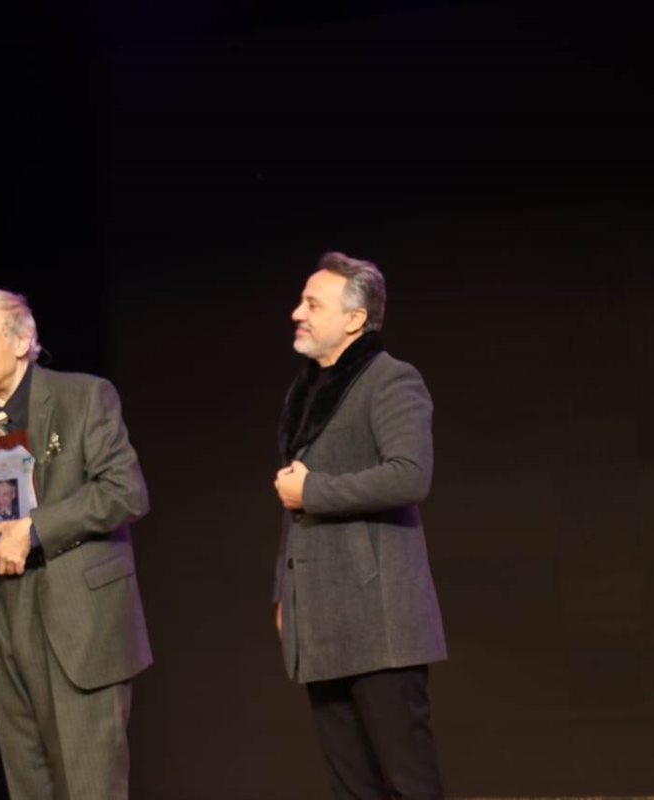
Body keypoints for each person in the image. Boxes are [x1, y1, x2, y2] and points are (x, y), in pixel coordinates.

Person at [0, 288, 151, 800]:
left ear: (22, 341)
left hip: (78, 619)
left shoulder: (84, 396)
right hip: (4, 614)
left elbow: (125, 492)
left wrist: (35, 528)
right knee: (28, 785)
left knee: (89, 786)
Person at [272, 252, 447, 799]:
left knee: (407, 780)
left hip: (379, 616)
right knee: (350, 785)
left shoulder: (391, 379)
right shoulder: (305, 392)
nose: (297, 313)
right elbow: (293, 501)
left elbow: (409, 475)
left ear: (354, 318)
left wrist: (314, 491)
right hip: (320, 615)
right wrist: (284, 591)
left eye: (312, 304)